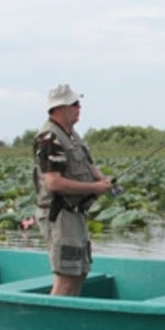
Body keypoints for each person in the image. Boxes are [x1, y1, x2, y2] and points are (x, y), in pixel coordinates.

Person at [33, 84, 114, 296]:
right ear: (61, 108)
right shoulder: (49, 138)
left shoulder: (72, 135)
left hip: (77, 214)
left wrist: (103, 180)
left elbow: (89, 166)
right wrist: (94, 187)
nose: (79, 107)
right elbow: (53, 183)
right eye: (75, 104)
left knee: (80, 272)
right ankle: (53, 316)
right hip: (60, 215)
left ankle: (68, 312)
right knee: (66, 275)